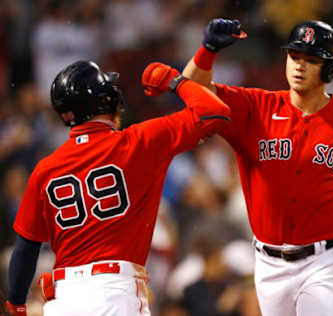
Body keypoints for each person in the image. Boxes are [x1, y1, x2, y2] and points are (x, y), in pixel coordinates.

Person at [171, 18, 333, 316]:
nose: (299, 66)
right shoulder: (255, 108)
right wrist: (208, 49)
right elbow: (188, 90)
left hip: (328, 260)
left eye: (310, 59)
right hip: (269, 263)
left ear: (329, 68)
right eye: (294, 56)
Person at [5, 60, 231, 316]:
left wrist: (16, 304)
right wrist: (174, 81)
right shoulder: (138, 142)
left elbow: (25, 249)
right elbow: (215, 111)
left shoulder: (45, 168)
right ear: (105, 99)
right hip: (114, 292)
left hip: (64, 297)